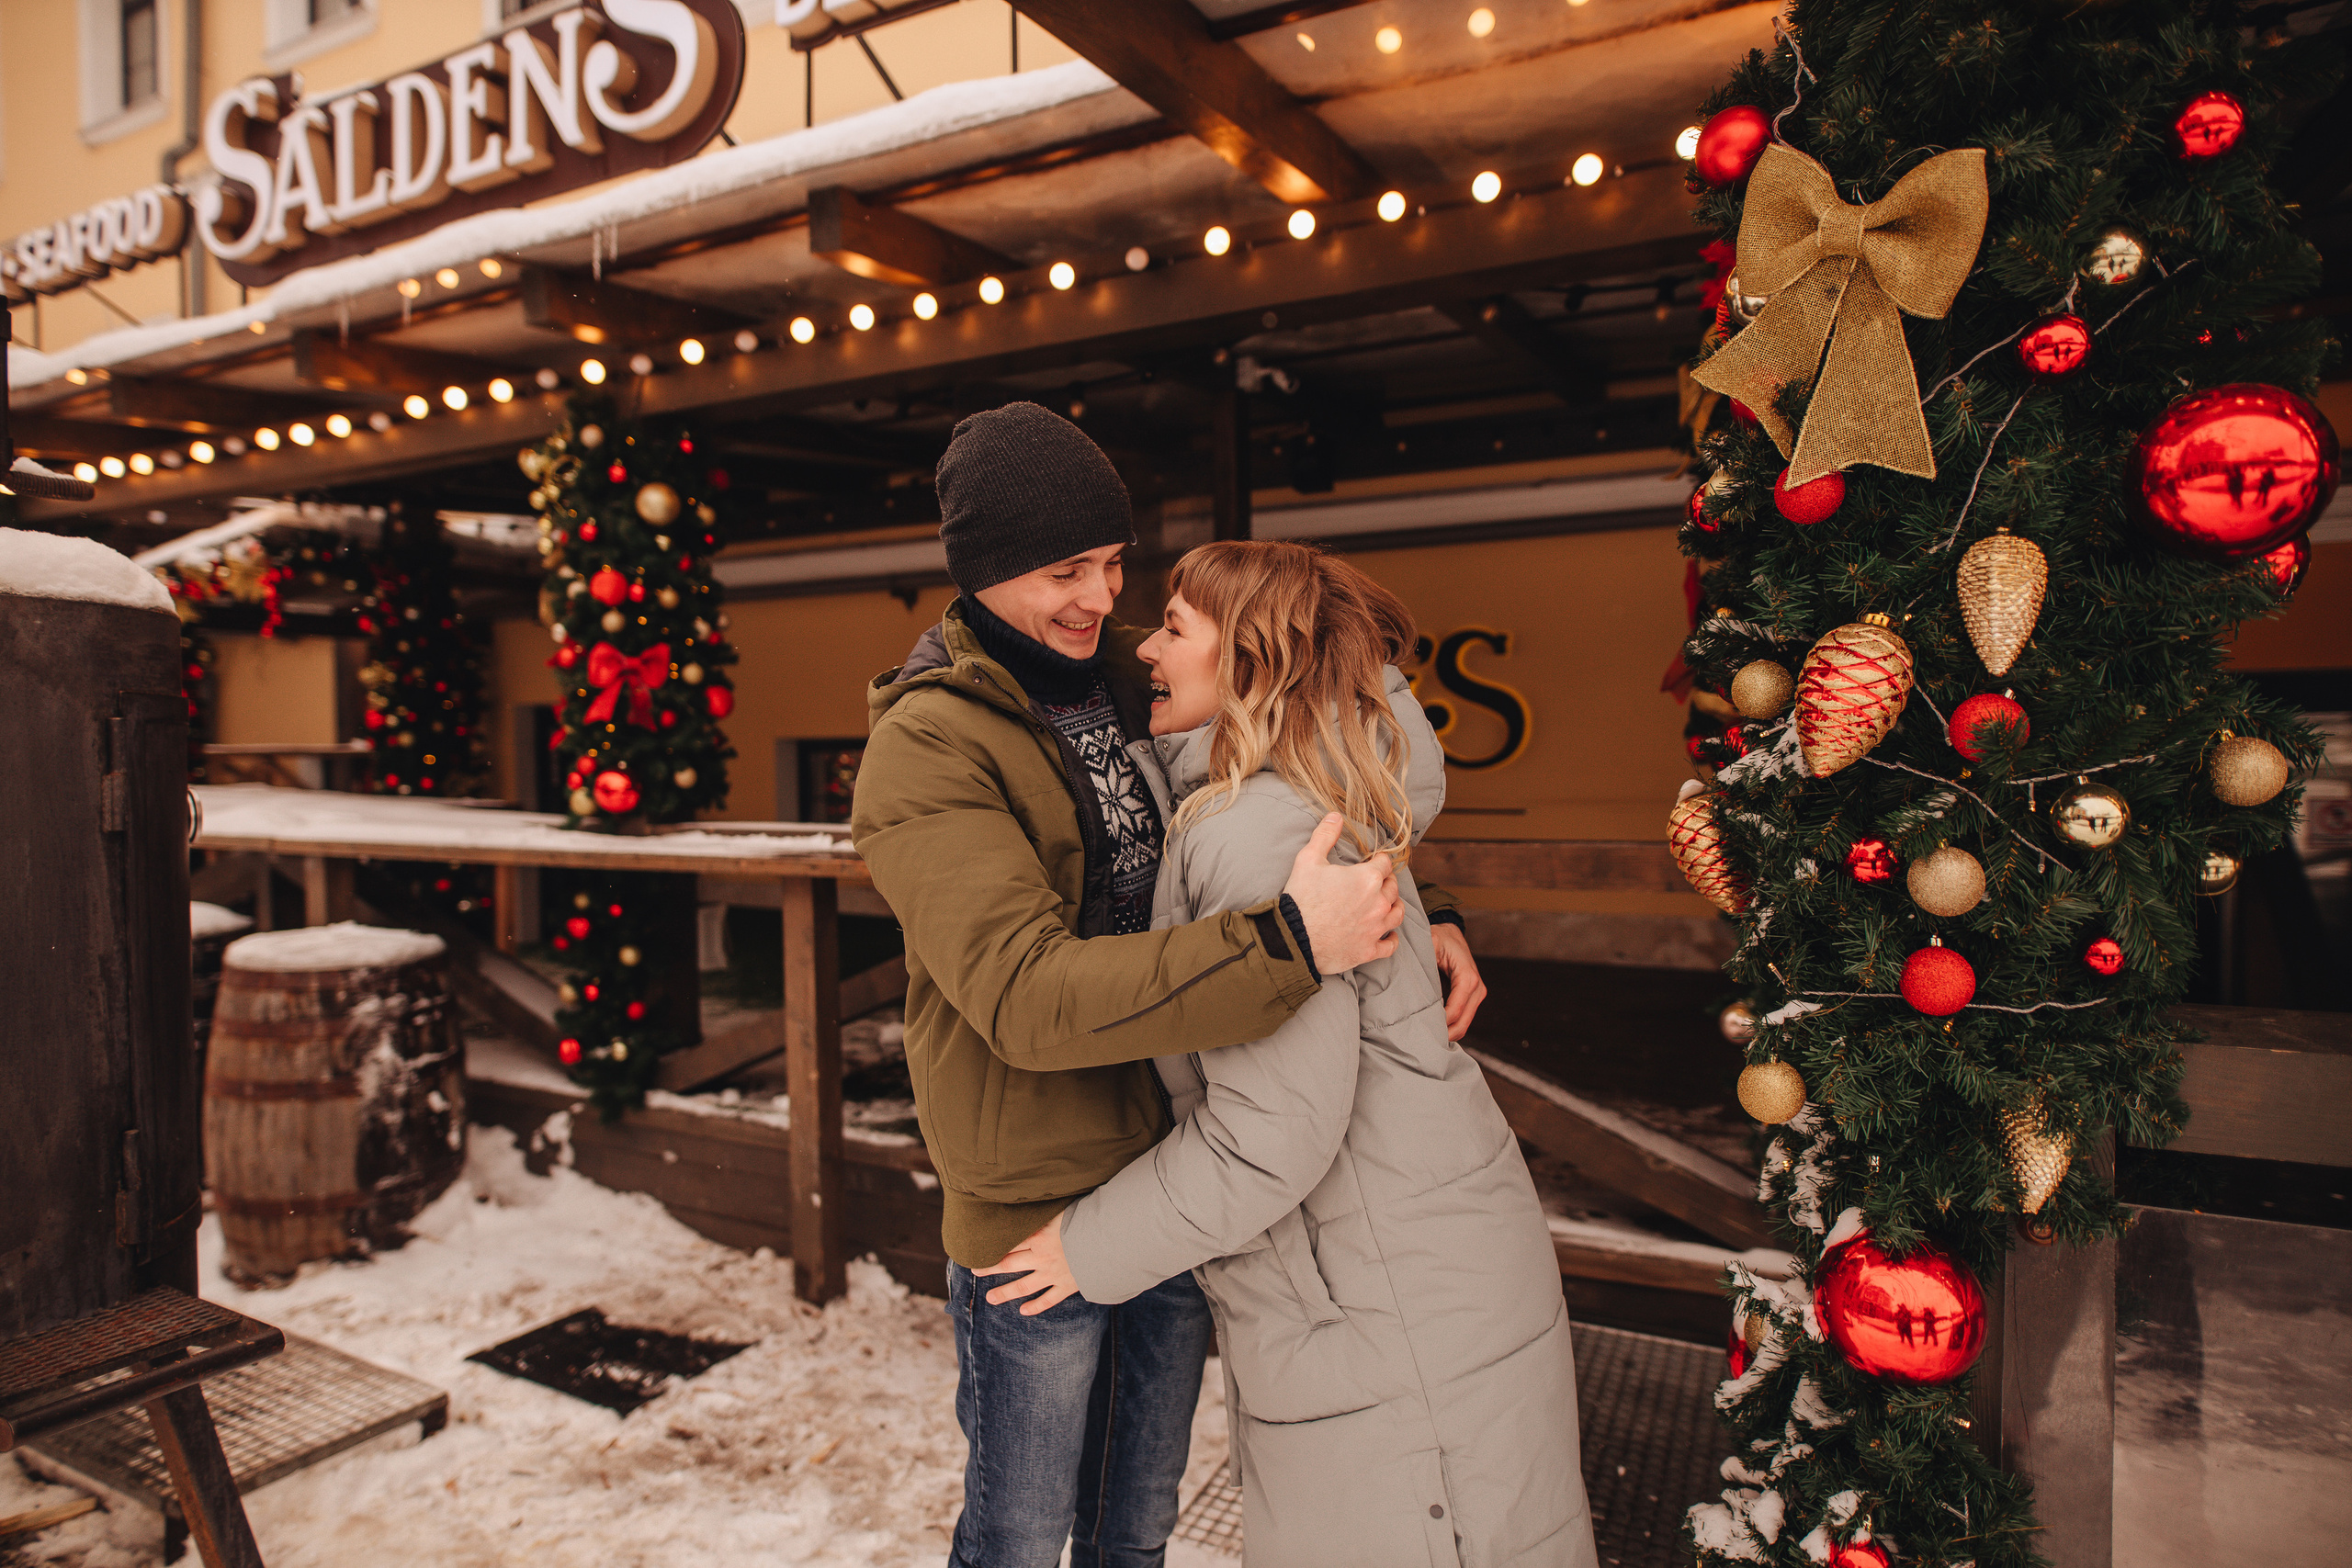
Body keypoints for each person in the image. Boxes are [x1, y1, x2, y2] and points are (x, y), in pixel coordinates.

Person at [850, 404, 1489, 1568]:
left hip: (1173, 1178)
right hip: (1036, 1199)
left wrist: (1416, 904)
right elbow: (1022, 995)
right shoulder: (929, 744)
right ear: (985, 571)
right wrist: (1294, 943)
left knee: (1135, 1531)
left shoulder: (1132, 667)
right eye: (1063, 571)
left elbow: (1319, 741)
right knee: (1017, 1535)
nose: (1100, 599)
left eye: (1110, 562)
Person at [979, 541, 1595, 1568]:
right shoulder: (1294, 796)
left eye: (1175, 626)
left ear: (1253, 666)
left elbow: (1271, 1136)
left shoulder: (1251, 836)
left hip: (1384, 1313)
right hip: (1422, 1281)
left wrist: (1086, 1249)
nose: (1145, 645)